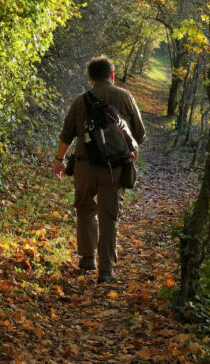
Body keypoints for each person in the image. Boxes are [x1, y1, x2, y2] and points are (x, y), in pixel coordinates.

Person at [53, 55, 146, 283]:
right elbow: (140, 134)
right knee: (108, 216)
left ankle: (87, 258)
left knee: (85, 208)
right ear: (112, 75)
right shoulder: (125, 97)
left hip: (84, 166)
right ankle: (106, 270)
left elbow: (67, 135)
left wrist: (59, 160)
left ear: (90, 78)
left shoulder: (80, 101)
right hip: (113, 169)